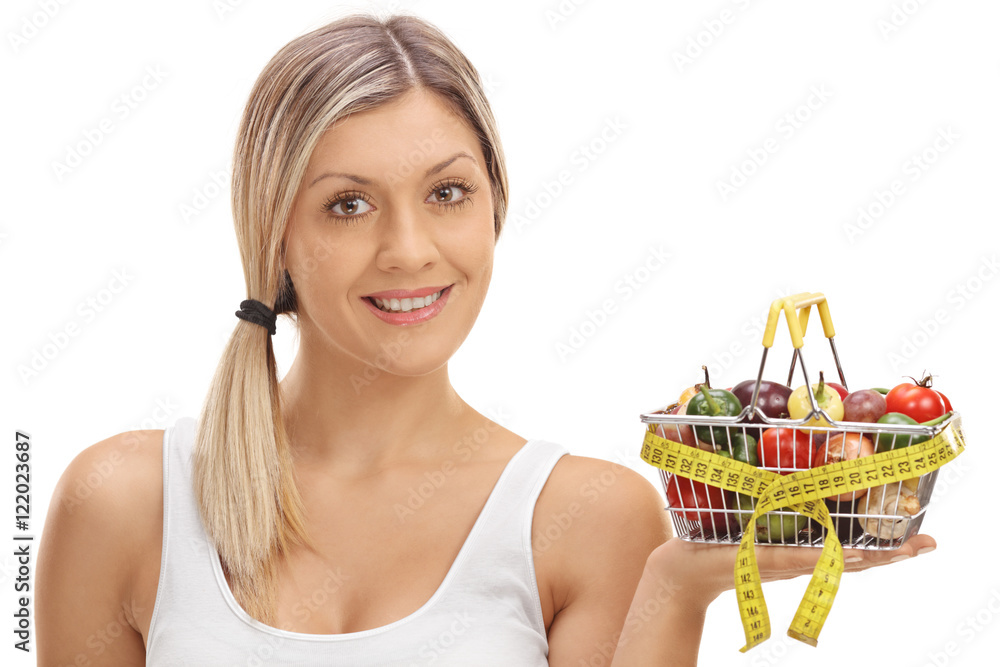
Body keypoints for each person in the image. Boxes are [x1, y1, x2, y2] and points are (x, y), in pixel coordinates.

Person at [35, 12, 936, 666]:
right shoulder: (123, 502)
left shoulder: (589, 519)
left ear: (495, 208)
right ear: (273, 236)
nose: (409, 250)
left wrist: (678, 589)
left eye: (448, 193)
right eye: (348, 204)